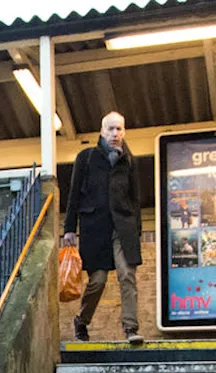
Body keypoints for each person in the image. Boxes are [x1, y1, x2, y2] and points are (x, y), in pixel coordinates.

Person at [63, 111, 143, 344]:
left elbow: (135, 198)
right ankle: (82, 321)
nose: (115, 133)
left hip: (123, 228)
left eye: (119, 129)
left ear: (124, 131)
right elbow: (74, 195)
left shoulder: (129, 160)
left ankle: (131, 328)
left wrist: (137, 229)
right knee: (97, 281)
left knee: (127, 274)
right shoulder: (86, 158)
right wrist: (69, 228)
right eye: (110, 129)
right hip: (95, 229)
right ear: (102, 131)